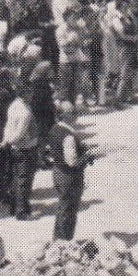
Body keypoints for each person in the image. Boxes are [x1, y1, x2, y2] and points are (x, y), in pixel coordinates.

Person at [49, 101, 90, 241]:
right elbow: (72, 162)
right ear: (65, 115)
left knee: (62, 208)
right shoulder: (68, 136)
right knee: (69, 211)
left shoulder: (54, 129)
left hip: (58, 172)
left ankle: (58, 239)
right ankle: (64, 241)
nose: (76, 115)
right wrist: (86, 157)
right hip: (69, 177)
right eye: (73, 112)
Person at [1, 79, 39, 221]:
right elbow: (20, 133)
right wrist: (11, 141)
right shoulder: (25, 112)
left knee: (15, 178)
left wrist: (6, 141)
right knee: (25, 180)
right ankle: (21, 211)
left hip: (15, 148)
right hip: (26, 148)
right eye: (30, 92)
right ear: (25, 94)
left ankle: (15, 206)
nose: (32, 95)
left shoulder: (13, 105)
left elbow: (8, 126)